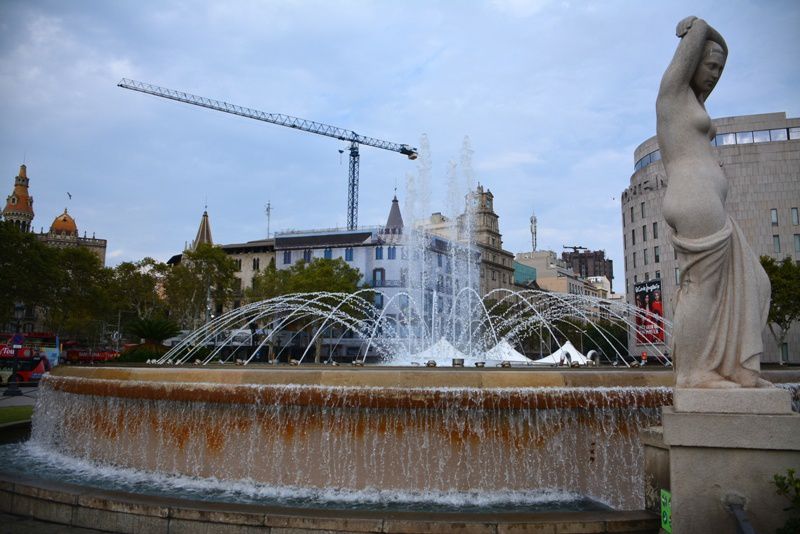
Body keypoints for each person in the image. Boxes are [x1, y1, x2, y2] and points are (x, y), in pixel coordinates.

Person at [656, 16, 771, 388]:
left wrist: (717, 41)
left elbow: (725, 51)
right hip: (693, 198)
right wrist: (699, 28)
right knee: (701, 287)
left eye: (720, 69)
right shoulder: (672, 95)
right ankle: (693, 372)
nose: (716, 74)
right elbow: (693, 45)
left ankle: (734, 367)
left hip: (709, 202)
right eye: (710, 65)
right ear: (691, 62)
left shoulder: (694, 102)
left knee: (757, 282)